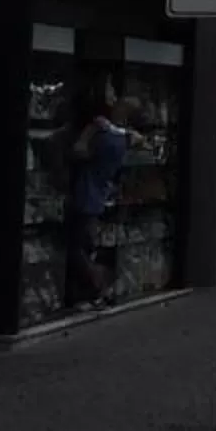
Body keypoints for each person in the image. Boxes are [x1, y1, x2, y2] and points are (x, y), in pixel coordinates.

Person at [63, 90, 129, 310]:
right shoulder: (121, 140)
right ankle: (92, 289)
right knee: (86, 244)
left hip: (86, 198)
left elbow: (78, 152)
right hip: (97, 197)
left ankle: (97, 284)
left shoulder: (104, 139)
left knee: (76, 247)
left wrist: (89, 132)